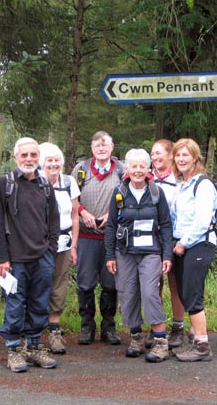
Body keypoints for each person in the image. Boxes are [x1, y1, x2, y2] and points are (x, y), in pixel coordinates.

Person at [0, 137, 60, 373]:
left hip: (42, 257)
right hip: (14, 259)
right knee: (15, 305)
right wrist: (2, 258)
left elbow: (54, 220)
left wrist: (50, 249)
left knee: (40, 303)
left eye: (33, 155)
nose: (29, 159)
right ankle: (13, 350)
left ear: (37, 157)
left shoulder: (44, 185)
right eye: (24, 155)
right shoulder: (5, 184)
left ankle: (34, 347)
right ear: (15, 157)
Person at [105, 149, 173, 362]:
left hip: (151, 252)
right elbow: (111, 226)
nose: (137, 170)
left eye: (141, 166)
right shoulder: (119, 192)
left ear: (148, 169)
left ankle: (161, 342)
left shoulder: (156, 193)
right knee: (127, 293)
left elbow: (165, 225)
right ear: (127, 169)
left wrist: (167, 255)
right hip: (124, 252)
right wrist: (110, 256)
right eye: (133, 166)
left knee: (150, 293)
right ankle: (136, 338)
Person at [72, 131, 123, 346]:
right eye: (97, 146)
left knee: (111, 283)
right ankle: (87, 326)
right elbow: (71, 197)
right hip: (85, 236)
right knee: (85, 283)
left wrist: (111, 216)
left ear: (112, 148)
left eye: (105, 145)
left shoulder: (122, 170)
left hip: (112, 237)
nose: (101, 149)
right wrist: (83, 212)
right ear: (92, 148)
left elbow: (129, 197)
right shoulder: (80, 170)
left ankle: (109, 326)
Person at [170, 138, 217, 362]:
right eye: (178, 155)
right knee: (185, 292)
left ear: (195, 158)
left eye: (185, 155)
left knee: (192, 293)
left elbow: (202, 220)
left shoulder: (203, 184)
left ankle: (202, 346)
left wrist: (183, 243)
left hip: (198, 244)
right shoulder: (182, 185)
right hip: (182, 244)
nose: (181, 159)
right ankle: (195, 339)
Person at [38, 142, 80, 355]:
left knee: (59, 285)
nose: (54, 164)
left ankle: (54, 331)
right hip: (39, 243)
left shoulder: (68, 182)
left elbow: (74, 216)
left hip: (63, 242)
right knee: (38, 284)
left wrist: (74, 246)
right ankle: (34, 332)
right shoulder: (34, 182)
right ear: (41, 163)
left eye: (57, 160)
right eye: (49, 161)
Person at [150, 139, 185, 349]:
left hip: (174, 237)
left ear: (170, 154)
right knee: (153, 285)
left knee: (175, 285)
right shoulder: (147, 177)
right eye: (152, 154)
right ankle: (156, 328)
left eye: (158, 153)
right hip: (151, 238)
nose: (154, 157)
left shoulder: (179, 178)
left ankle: (178, 328)